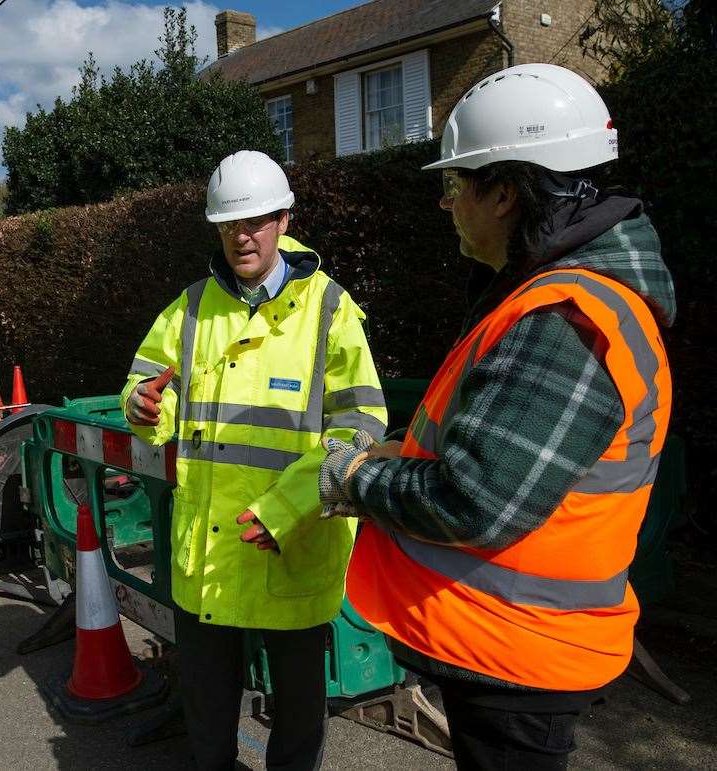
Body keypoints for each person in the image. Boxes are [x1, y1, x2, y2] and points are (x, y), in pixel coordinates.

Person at [318, 64, 674, 770]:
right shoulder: (552, 296)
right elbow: (499, 455)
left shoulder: (567, 318)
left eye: (455, 186)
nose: (446, 204)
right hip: (513, 646)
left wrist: (353, 475)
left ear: (506, 193)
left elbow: (473, 500)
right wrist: (402, 454)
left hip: (519, 653)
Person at [122, 150, 387, 769]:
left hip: (292, 547)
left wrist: (291, 507)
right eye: (229, 225)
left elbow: (362, 424)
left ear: (284, 220)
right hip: (208, 558)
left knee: (296, 725)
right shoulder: (188, 311)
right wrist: (142, 407)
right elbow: (145, 388)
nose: (242, 236)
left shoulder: (330, 310)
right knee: (209, 722)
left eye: (257, 222)